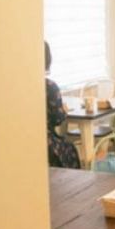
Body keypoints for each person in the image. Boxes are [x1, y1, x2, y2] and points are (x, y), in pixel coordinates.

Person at [45, 41, 81, 169]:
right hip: (46, 143)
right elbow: (58, 119)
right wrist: (63, 110)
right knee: (70, 149)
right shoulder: (50, 86)